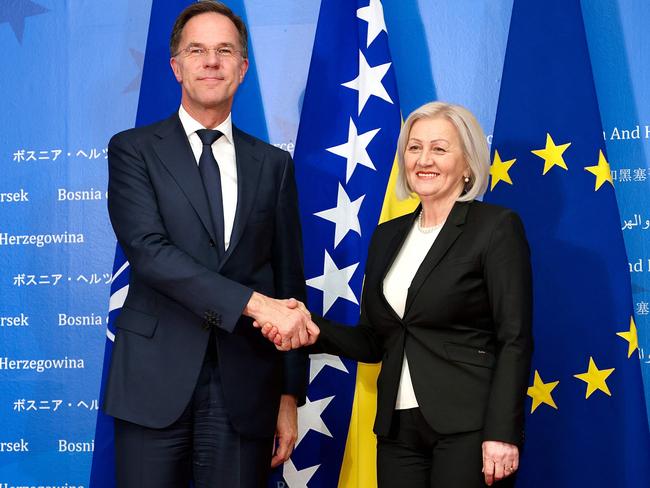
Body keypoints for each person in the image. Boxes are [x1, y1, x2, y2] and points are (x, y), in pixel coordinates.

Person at [261, 101, 533, 487]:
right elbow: (375, 341)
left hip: (468, 426)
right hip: (397, 429)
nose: (424, 159)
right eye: (414, 147)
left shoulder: (495, 227)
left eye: (439, 148)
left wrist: (502, 432)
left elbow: (514, 338)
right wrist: (309, 327)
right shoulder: (388, 235)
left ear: (468, 162)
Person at [104, 1, 317, 486]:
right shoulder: (133, 150)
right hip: (151, 385)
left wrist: (288, 396)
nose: (211, 61)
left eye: (225, 50)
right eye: (196, 50)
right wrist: (254, 304)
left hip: (245, 391)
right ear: (176, 66)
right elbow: (150, 253)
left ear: (242, 68)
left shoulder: (273, 165)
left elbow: (288, 278)